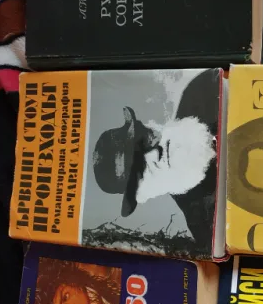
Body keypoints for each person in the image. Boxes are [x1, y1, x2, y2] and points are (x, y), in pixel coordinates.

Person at [91, 69, 218, 245]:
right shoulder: (208, 227)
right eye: (140, 169)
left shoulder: (204, 89)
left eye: (143, 140)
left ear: (150, 125)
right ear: (143, 194)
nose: (154, 154)